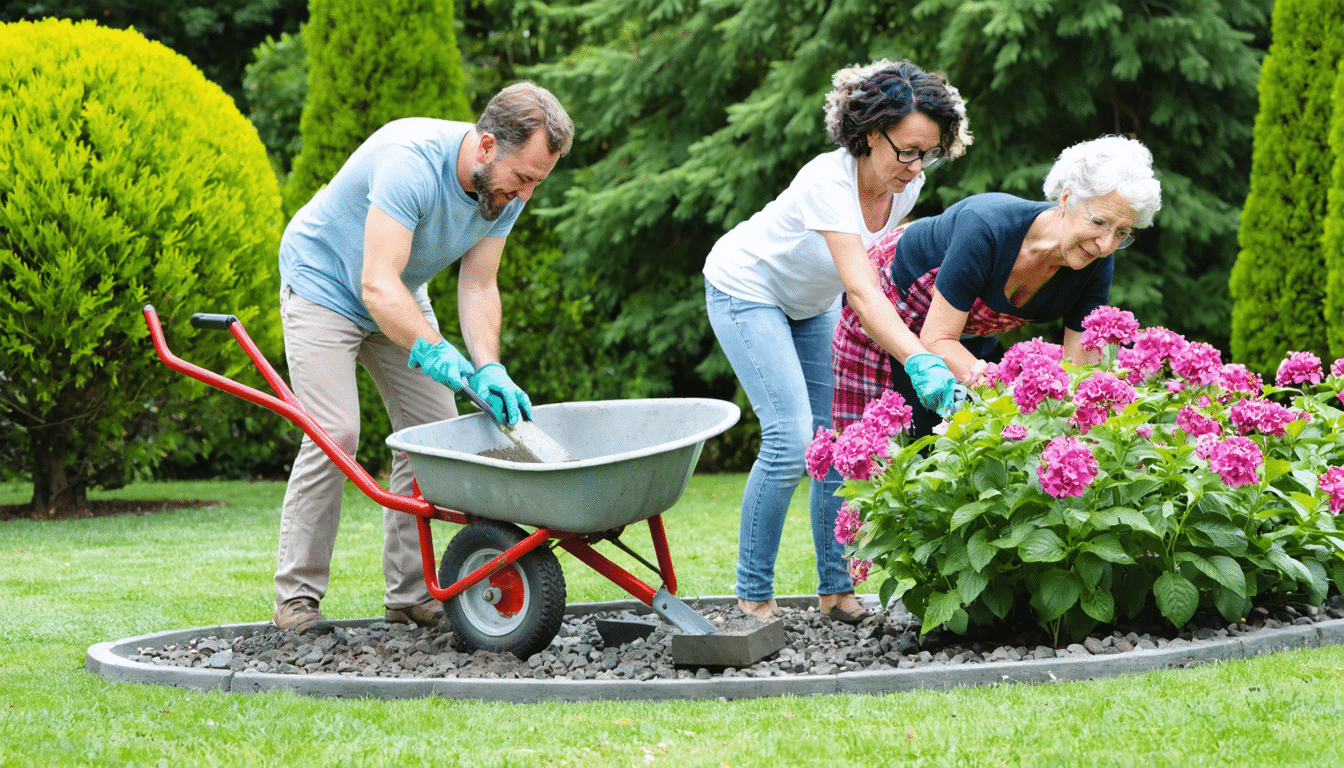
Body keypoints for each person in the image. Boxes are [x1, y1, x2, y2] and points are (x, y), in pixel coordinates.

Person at [271, 83, 575, 634]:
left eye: (538, 181)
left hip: (398, 293)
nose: (526, 194)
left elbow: (479, 286)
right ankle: (296, 599)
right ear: (486, 146)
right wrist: (431, 348)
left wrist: (489, 366)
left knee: (432, 440)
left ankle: (411, 594)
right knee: (333, 433)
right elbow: (376, 283)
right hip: (325, 287)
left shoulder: (499, 192)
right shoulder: (410, 163)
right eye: (524, 178)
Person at [703, 59, 972, 624]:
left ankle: (837, 592)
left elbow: (878, 277)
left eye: (928, 152)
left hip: (809, 303)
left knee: (837, 442)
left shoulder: (907, 184)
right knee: (789, 439)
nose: (917, 165)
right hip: (746, 288)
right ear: (873, 134)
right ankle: (753, 596)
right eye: (906, 150)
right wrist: (920, 358)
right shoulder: (828, 180)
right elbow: (860, 287)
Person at [831, 134, 1162, 440]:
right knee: (869, 453)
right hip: (886, 314)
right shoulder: (987, 226)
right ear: (1066, 199)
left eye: (1121, 233)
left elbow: (1078, 370)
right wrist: (1016, 393)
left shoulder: (1095, 263)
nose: (1105, 244)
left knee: (945, 453)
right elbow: (937, 338)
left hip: (960, 334)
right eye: (1100, 222)